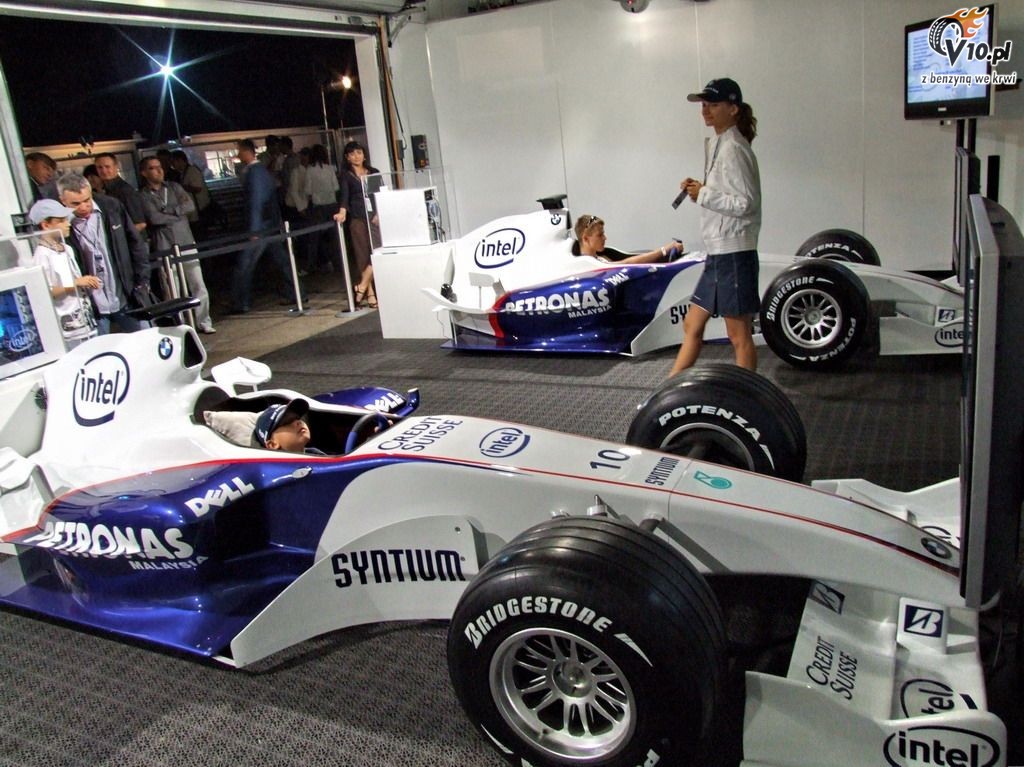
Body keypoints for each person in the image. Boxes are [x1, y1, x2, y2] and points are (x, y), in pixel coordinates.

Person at [668, 77, 761, 376]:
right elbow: (728, 194)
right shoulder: (721, 143)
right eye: (704, 105)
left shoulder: (734, 147)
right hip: (720, 252)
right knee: (692, 324)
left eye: (713, 104)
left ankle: (748, 394)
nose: (705, 110)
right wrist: (701, 188)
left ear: (733, 109)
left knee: (738, 335)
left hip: (733, 252)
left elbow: (746, 203)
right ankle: (669, 386)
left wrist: (704, 194)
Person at [57, 172, 151, 334]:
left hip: (126, 294)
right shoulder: (60, 224)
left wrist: (142, 281)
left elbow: (135, 243)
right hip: (92, 304)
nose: (84, 207)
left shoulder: (111, 206)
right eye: (75, 204)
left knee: (144, 338)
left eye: (87, 200)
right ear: (62, 201)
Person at [138, 156, 215, 334]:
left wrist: (169, 211)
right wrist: (177, 214)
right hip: (164, 246)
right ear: (144, 173)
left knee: (198, 284)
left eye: (159, 166)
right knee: (172, 289)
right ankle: (180, 325)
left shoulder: (174, 187)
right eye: (152, 168)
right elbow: (154, 218)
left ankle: (203, 321)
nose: (158, 171)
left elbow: (189, 206)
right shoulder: (143, 195)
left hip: (186, 241)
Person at [230, 138, 300, 314]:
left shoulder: (254, 173)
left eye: (239, 150)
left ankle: (241, 301)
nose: (238, 154)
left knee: (245, 264)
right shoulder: (261, 171)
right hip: (270, 224)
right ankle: (297, 293)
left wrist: (254, 229)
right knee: (282, 261)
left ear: (246, 151)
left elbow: (256, 201)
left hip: (261, 227)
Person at [21, 199, 99, 347]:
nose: (67, 224)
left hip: (86, 322)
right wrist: (76, 283)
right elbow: (45, 292)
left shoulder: (67, 249)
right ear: (46, 225)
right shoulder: (42, 255)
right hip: (68, 332)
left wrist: (85, 282)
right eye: (61, 221)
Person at [334, 141, 381, 308]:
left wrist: (379, 212)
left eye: (359, 152)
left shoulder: (373, 172)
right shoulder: (346, 175)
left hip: (374, 218)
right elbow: (345, 197)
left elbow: (379, 194)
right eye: (352, 154)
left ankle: (361, 286)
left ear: (364, 155)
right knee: (362, 255)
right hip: (357, 218)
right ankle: (370, 293)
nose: (356, 156)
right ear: (347, 157)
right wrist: (342, 212)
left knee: (378, 252)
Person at [574, 215, 682, 264]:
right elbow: (627, 264)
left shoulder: (601, 258)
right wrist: (664, 250)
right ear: (586, 239)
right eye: (600, 235)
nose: (605, 238)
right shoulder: (586, 266)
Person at [304, 143, 340, 273]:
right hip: (332, 204)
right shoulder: (330, 168)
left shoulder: (309, 170)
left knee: (315, 238)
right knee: (335, 237)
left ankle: (312, 265)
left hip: (318, 206)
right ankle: (339, 263)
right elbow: (336, 187)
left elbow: (308, 190)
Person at [92, 153, 147, 235]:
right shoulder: (103, 191)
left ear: (116, 167)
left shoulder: (126, 191)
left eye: (107, 167)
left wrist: (121, 238)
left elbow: (140, 224)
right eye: (100, 167)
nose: (103, 171)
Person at [253, 399, 324, 454]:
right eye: (287, 422)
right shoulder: (275, 468)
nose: (298, 422)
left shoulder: (316, 454)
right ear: (272, 445)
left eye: (297, 418)